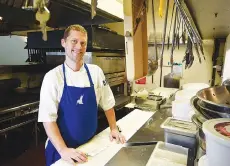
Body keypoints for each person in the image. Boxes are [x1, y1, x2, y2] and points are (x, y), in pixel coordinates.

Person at [38, 24, 126, 166]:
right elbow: (48, 120)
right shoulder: (53, 77)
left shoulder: (95, 72)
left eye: (83, 43)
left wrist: (114, 128)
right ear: (63, 43)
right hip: (62, 151)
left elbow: (108, 103)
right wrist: (63, 150)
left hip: (90, 146)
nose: (79, 47)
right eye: (74, 41)